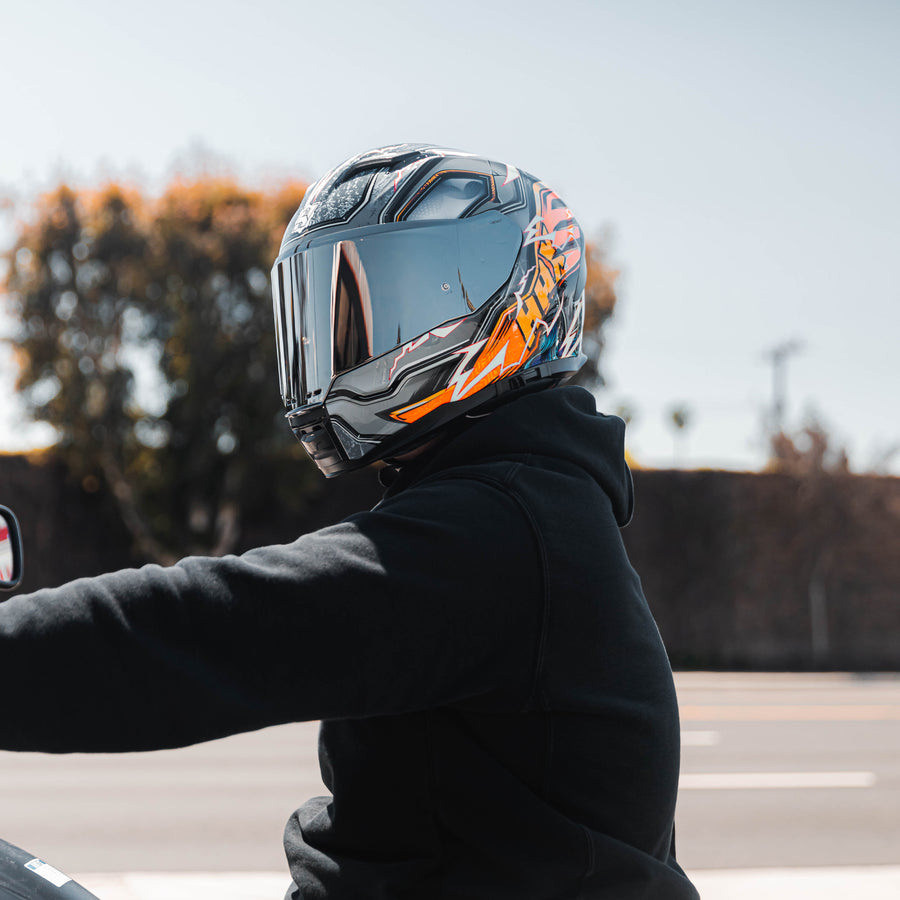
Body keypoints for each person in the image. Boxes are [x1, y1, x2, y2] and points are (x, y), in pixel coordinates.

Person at [0, 144, 699, 899]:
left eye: (390, 300)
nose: (349, 338)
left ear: (508, 305)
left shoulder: (507, 533)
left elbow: (214, 629)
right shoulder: (526, 504)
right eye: (333, 306)